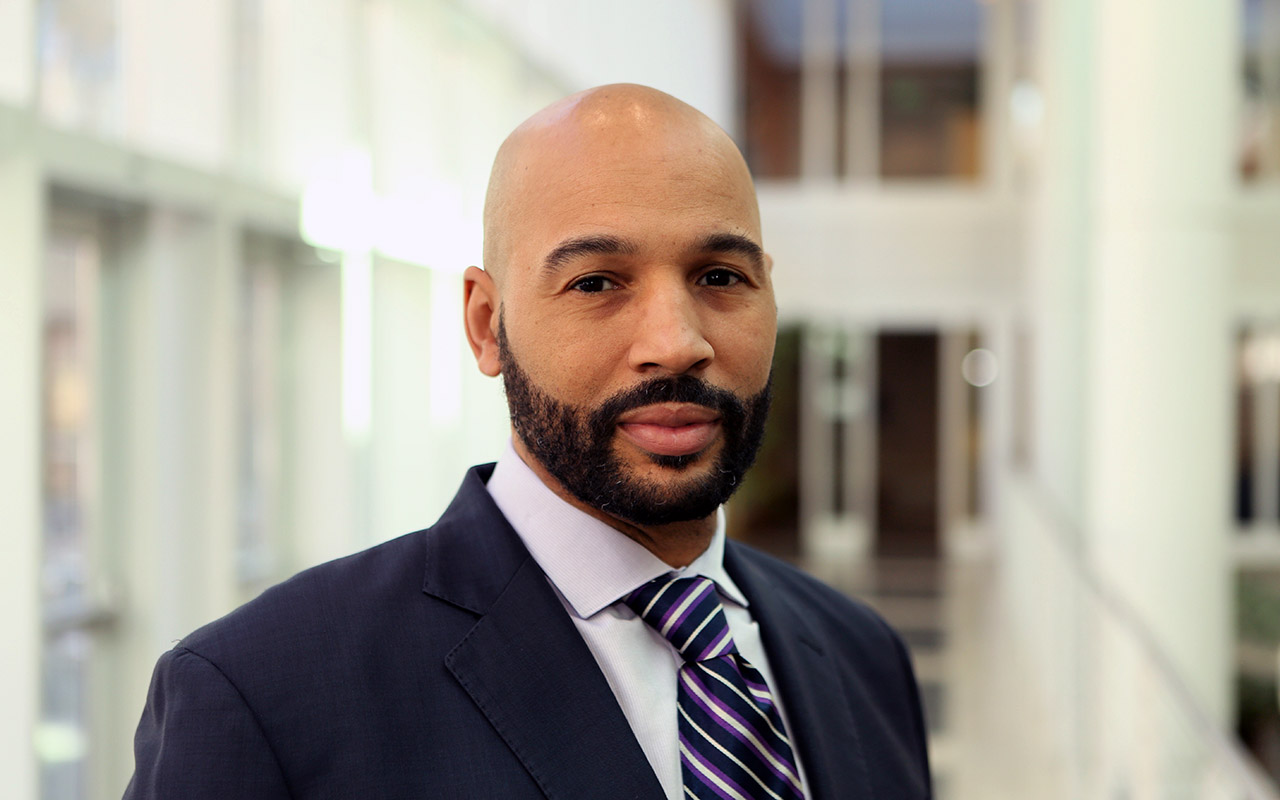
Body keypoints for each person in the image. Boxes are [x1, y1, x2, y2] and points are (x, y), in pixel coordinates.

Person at [124, 84, 931, 800]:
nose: (676, 342)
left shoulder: (863, 658)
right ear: (487, 325)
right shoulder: (262, 697)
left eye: (720, 276)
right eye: (597, 283)